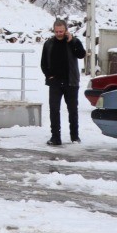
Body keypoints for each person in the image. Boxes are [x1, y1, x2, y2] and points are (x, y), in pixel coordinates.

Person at [40, 17, 86, 145]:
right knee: (54, 110)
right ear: (54, 31)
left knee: (72, 110)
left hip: (71, 82)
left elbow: (81, 54)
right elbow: (43, 63)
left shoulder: (74, 41)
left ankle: (74, 137)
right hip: (54, 83)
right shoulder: (48, 44)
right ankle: (55, 137)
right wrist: (48, 75)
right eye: (57, 31)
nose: (59, 34)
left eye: (61, 31)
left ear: (66, 30)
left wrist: (72, 42)